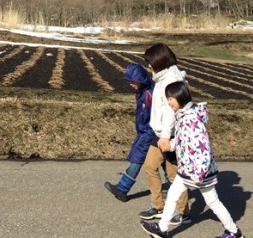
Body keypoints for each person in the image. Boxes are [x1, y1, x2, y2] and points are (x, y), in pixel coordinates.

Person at [141, 81, 245, 238]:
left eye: (170, 99)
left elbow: (202, 147)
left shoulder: (191, 119)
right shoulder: (186, 115)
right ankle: (233, 231)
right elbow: (185, 140)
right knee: (180, 196)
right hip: (191, 170)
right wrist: (171, 145)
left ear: (179, 97)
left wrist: (199, 173)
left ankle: (233, 232)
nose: (169, 102)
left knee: (210, 202)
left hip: (196, 171)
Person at [139, 43, 190, 226]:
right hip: (160, 132)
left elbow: (171, 111)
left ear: (160, 60)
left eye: (150, 62)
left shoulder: (171, 80)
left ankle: (183, 212)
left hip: (170, 135)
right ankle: (158, 206)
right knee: (150, 166)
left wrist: (166, 137)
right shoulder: (162, 78)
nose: (149, 66)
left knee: (174, 176)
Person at [104, 63, 155, 202]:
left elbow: (155, 115)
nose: (131, 84)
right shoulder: (141, 92)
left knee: (137, 159)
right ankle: (176, 189)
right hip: (144, 131)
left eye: (133, 81)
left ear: (140, 79)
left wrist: (149, 132)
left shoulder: (150, 94)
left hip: (149, 133)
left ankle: (122, 189)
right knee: (164, 163)